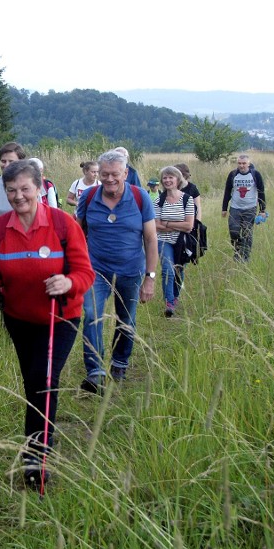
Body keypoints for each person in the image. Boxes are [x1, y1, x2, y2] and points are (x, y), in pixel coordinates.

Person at [0, 159, 95, 490]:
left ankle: (36, 459)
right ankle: (37, 443)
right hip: (18, 318)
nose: (18, 196)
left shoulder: (62, 225)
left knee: (43, 382)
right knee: (33, 382)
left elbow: (86, 273)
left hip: (61, 317)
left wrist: (68, 283)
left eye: (25, 189)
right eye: (11, 190)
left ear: (41, 188)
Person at [76, 149, 157, 393]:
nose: (109, 179)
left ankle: (120, 362)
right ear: (98, 174)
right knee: (92, 314)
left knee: (126, 318)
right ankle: (96, 371)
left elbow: (151, 239)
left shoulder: (140, 197)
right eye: (104, 174)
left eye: (115, 174)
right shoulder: (89, 197)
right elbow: (77, 233)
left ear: (126, 173)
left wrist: (150, 278)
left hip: (130, 270)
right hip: (95, 268)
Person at [153, 166, 195, 317]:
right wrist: (177, 224)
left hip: (182, 242)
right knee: (167, 270)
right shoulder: (159, 199)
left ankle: (175, 297)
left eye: (171, 177)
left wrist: (167, 223)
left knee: (179, 269)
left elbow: (189, 225)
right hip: (163, 241)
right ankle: (169, 303)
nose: (167, 180)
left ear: (178, 179)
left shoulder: (187, 199)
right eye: (165, 178)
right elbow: (156, 225)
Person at [221, 154, 266, 263]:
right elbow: (227, 191)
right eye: (239, 163)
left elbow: (261, 192)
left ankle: (245, 257)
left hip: (250, 208)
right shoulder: (233, 175)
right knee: (234, 231)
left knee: (247, 232)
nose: (241, 166)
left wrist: (262, 210)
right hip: (235, 208)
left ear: (248, 164)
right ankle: (237, 251)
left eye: (244, 163)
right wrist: (224, 208)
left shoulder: (255, 175)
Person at [173, 162, 202, 298]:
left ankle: (179, 282)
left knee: (182, 260)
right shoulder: (170, 188)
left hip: (188, 228)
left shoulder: (192, 188)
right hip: (172, 229)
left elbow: (198, 208)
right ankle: (174, 286)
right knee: (171, 263)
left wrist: (197, 225)